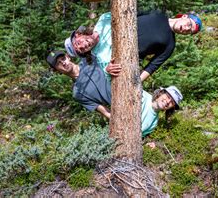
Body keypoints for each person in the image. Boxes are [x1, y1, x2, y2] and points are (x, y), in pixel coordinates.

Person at [46, 50, 182, 136]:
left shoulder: (89, 58)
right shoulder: (77, 93)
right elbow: (104, 111)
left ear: (68, 56)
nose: (63, 63)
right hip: (122, 110)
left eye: (63, 58)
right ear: (57, 71)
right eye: (58, 64)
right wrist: (120, 124)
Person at [64, 11, 202, 81]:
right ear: (183, 16)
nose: (185, 28)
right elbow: (106, 69)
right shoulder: (102, 55)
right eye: (188, 25)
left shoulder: (170, 45)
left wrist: (137, 82)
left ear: (78, 35)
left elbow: (153, 66)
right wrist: (107, 70)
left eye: (189, 30)